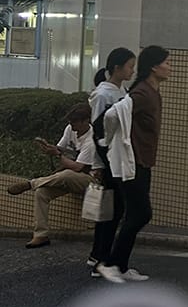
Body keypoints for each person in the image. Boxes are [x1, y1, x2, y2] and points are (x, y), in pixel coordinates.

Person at [96, 45, 170, 284]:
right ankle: (110, 263)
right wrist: (108, 142)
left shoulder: (152, 91)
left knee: (134, 214)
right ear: (154, 67)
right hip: (132, 162)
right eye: (166, 62)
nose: (170, 67)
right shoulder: (142, 93)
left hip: (143, 161)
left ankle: (120, 265)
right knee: (141, 213)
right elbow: (109, 116)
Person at [6, 104, 96, 247]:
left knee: (67, 174)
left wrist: (58, 155)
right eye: (70, 122)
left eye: (75, 122)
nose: (71, 125)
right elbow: (61, 148)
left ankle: (31, 183)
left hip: (89, 180)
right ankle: (41, 235)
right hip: (70, 176)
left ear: (86, 121)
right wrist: (50, 149)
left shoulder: (91, 141)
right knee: (42, 193)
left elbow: (78, 167)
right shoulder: (70, 129)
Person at [87, 46, 137, 273]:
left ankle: (98, 255)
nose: (132, 71)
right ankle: (100, 257)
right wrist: (98, 164)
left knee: (113, 210)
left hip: (119, 156)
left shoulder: (122, 91)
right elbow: (97, 131)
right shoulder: (103, 94)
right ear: (117, 68)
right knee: (111, 210)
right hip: (109, 158)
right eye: (129, 67)